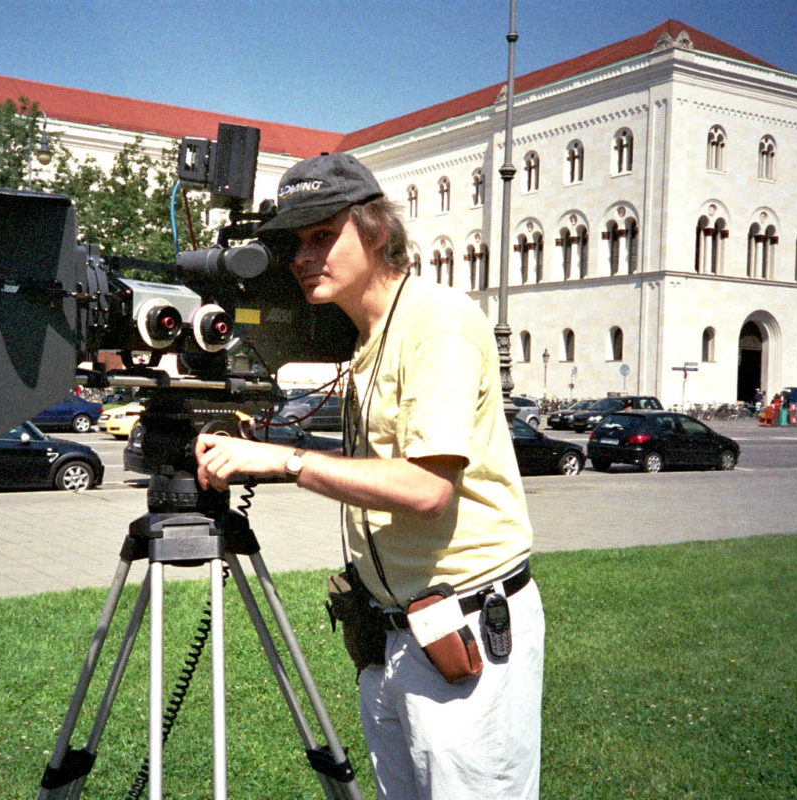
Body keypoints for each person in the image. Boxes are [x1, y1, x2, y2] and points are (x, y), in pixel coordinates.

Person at [193, 153, 544, 800]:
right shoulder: (366, 335)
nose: (303, 257)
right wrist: (252, 444)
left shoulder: (435, 321)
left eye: (322, 236)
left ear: (376, 232)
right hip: (389, 635)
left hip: (461, 627)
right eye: (296, 243)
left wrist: (288, 462)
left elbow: (426, 490)